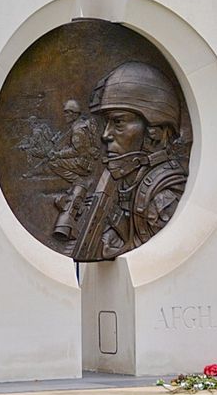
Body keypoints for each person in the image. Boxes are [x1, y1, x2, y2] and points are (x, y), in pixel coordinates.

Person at [73, 62, 187, 261]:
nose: (106, 135)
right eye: (106, 123)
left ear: (155, 132)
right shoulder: (129, 181)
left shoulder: (163, 198)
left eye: (118, 122)